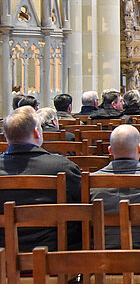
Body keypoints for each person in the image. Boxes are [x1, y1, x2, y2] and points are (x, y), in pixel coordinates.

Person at [0, 106, 82, 251]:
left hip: (4, 252)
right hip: (55, 252)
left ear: (6, 137)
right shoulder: (62, 167)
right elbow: (81, 205)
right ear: (37, 132)